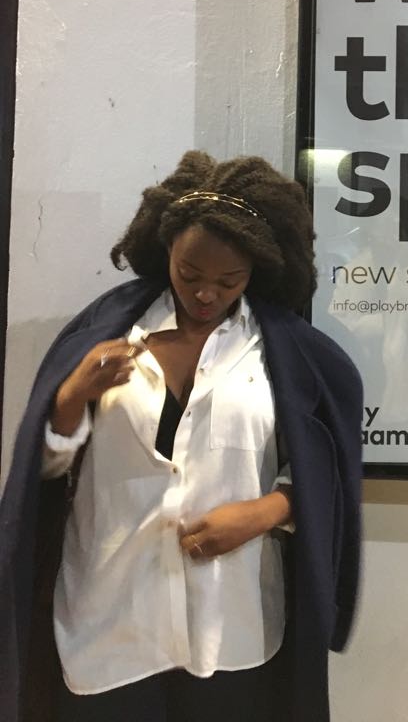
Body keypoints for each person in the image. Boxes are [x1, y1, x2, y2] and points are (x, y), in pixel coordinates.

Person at [0, 151, 363, 722]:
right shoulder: (105, 334)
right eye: (189, 274)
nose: (205, 294)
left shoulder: (290, 356)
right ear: (166, 246)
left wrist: (267, 511)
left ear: (257, 267)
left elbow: (329, 471)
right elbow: (43, 477)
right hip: (108, 622)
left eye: (228, 280)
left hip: (233, 626)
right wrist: (69, 399)